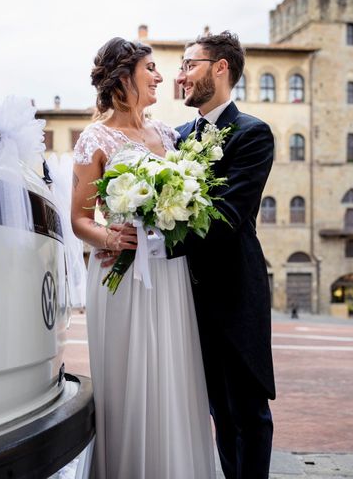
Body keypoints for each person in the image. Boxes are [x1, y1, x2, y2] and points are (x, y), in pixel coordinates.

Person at [71, 37, 216, 479]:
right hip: (122, 274)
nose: (159, 76)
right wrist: (109, 239)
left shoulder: (170, 135)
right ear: (123, 77)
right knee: (127, 380)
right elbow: (79, 218)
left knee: (173, 376)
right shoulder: (94, 139)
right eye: (150, 68)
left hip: (170, 275)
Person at [173, 31, 276, 479]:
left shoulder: (252, 134)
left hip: (236, 292)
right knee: (218, 410)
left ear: (220, 68)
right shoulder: (175, 138)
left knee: (248, 412)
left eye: (190, 64)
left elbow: (230, 215)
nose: (181, 76)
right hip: (186, 297)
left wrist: (163, 233)